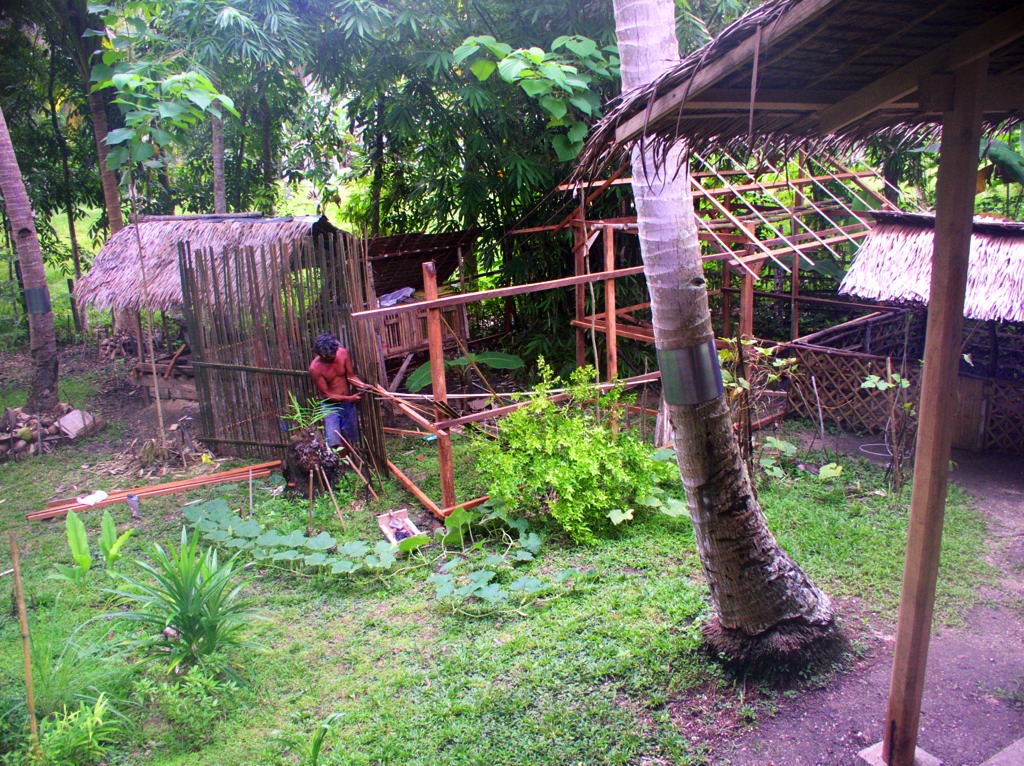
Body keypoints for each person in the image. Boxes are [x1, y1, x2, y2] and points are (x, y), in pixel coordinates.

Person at [309, 333, 361, 451]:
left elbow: (351, 376)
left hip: (348, 403)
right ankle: (338, 466)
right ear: (322, 355)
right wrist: (350, 398)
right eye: (329, 355)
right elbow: (326, 394)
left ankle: (349, 464)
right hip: (330, 406)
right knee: (334, 440)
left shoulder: (343, 353)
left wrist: (364, 386)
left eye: (334, 351)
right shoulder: (315, 368)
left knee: (349, 437)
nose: (333, 355)